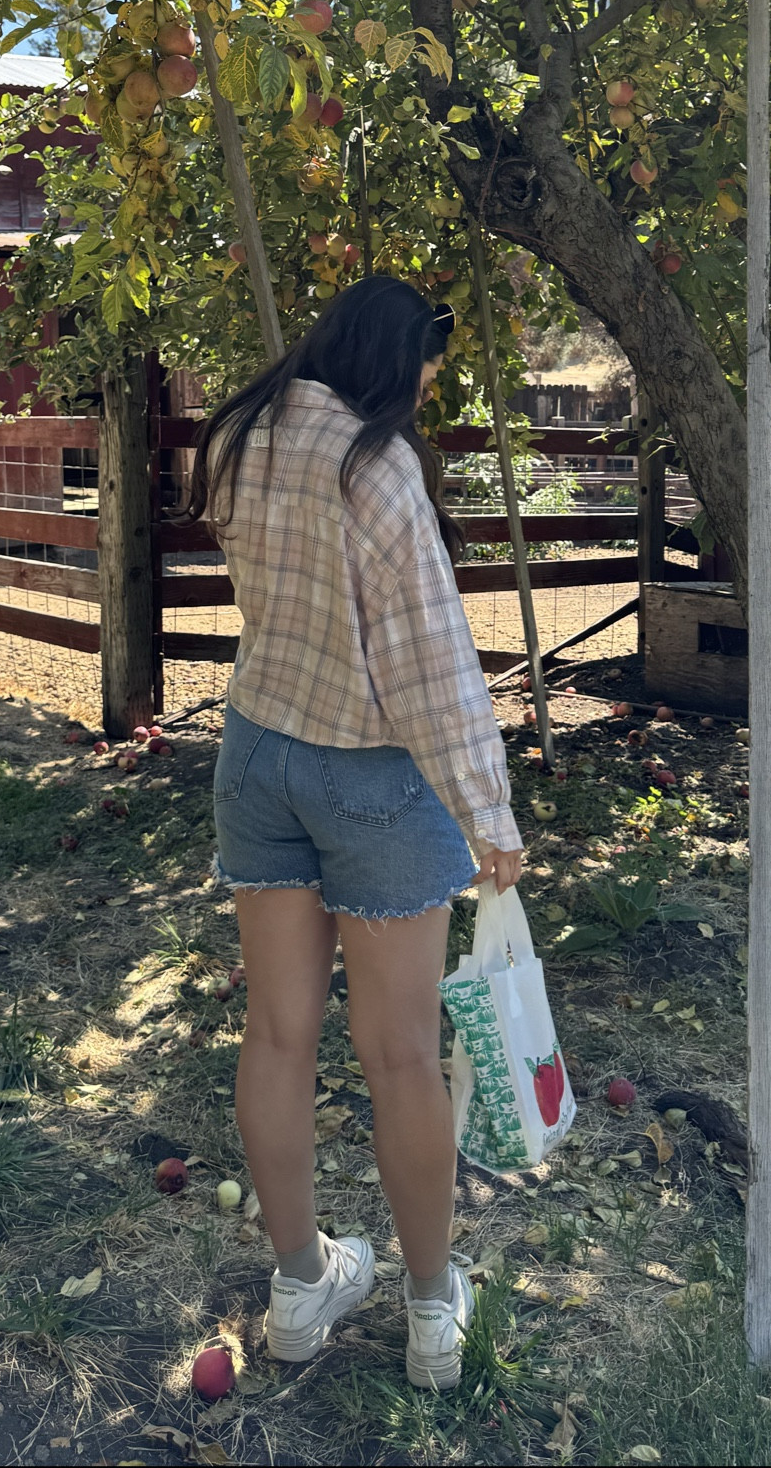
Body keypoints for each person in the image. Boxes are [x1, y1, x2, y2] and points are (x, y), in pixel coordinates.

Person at [184, 276, 523, 1390]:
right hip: (374, 771)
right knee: (402, 1054)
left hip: (261, 746)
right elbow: (432, 666)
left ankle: (298, 1286)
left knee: (278, 1035)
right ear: (392, 355)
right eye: (429, 361)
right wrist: (488, 807)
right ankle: (432, 1311)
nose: (430, 383)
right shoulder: (375, 469)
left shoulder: (246, 433)